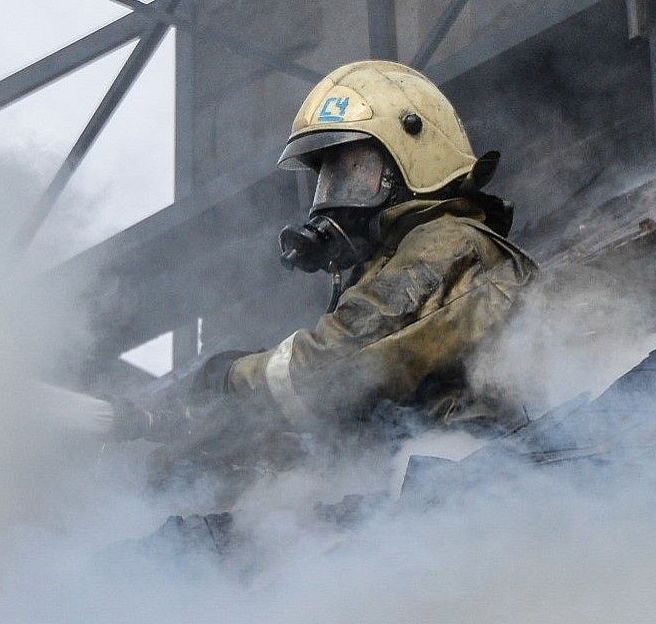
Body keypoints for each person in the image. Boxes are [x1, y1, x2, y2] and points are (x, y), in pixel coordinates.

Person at [113, 60, 537, 494]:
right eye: (331, 179)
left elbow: (337, 363)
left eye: (356, 171)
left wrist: (228, 380)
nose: (336, 197)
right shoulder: (386, 266)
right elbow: (346, 416)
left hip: (480, 485)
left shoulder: (452, 243)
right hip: (432, 486)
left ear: (414, 153)